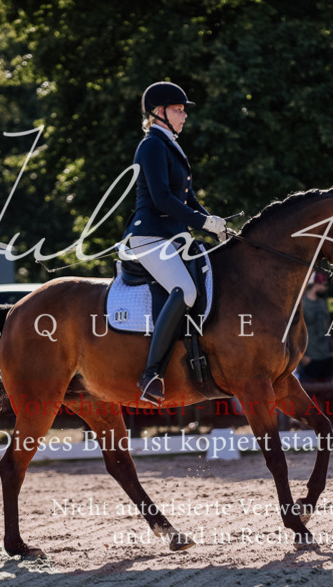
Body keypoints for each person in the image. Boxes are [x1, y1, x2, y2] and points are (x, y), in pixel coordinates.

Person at [119, 81, 228, 405]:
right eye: (178, 110)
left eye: (183, 110)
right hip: (149, 236)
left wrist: (215, 225)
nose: (184, 116)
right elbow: (163, 199)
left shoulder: (170, 145)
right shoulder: (151, 145)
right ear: (158, 112)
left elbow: (189, 198)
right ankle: (150, 372)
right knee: (187, 290)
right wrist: (201, 223)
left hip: (174, 237)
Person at [299, 273, 333, 384]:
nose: (326, 288)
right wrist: (302, 357)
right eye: (324, 284)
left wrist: (331, 351)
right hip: (310, 358)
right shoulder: (302, 304)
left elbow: (327, 327)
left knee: (327, 397)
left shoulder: (322, 303)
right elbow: (293, 332)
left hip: (326, 357)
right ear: (316, 284)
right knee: (309, 397)